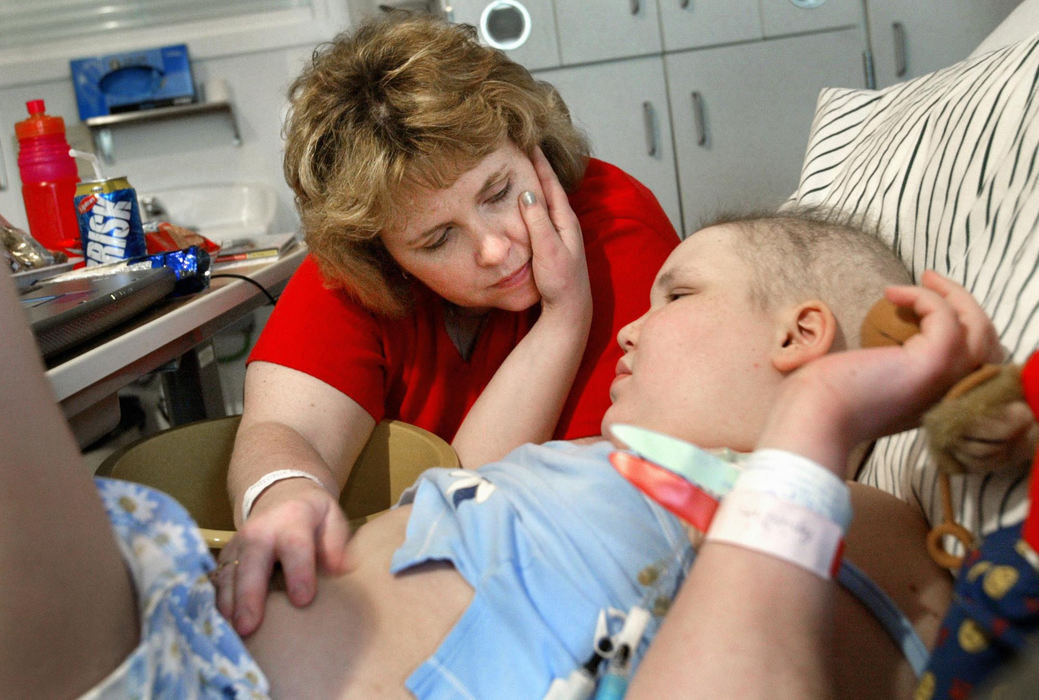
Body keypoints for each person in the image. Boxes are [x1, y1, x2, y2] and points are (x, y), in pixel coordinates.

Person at [0, 211, 1000, 699]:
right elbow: (451, 468)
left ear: (803, 336)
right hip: (178, 600)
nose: (630, 331)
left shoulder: (860, 537)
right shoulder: (609, 465)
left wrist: (819, 420)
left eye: (676, 296)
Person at [224, 12, 679, 635]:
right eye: (438, 239)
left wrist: (564, 318)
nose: (495, 250)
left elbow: (508, 498)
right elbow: (282, 428)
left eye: (499, 193)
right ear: (382, 251)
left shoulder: (613, 227)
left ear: (528, 142)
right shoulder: (358, 268)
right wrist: (284, 495)